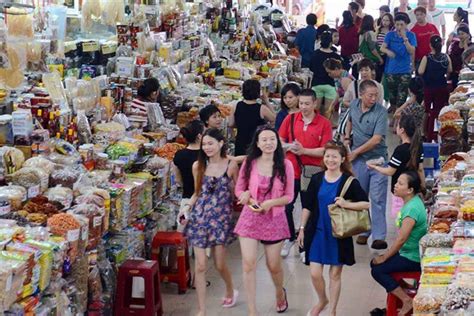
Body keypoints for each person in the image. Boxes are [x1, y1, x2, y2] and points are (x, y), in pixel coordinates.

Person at [297, 141, 369, 316]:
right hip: (317, 232)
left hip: (338, 235)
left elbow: (366, 203)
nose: (330, 160)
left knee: (335, 275)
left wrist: (346, 204)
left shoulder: (349, 181)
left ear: (342, 159)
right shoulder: (316, 179)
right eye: (327, 156)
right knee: (315, 273)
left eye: (334, 156)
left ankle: (333, 311)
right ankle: (322, 300)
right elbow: (307, 205)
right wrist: (301, 228)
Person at [178, 128, 240, 315]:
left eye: (211, 143)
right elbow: (197, 192)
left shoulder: (231, 165)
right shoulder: (198, 166)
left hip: (221, 219)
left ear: (221, 143)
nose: (207, 147)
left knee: (220, 263)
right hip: (199, 218)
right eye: (204, 144)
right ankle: (202, 310)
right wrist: (187, 208)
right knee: (201, 265)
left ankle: (230, 288)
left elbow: (236, 192)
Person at [234, 126, 295, 315]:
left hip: (274, 219)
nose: (268, 143)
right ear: (258, 144)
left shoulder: (286, 165)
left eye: (272, 139)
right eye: (264, 140)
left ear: (277, 142)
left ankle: (279, 293)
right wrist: (246, 197)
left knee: (273, 265)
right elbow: (239, 189)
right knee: (249, 263)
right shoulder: (249, 163)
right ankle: (252, 310)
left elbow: (289, 196)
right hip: (250, 217)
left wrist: (270, 203)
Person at [278, 89, 332, 258]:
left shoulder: (324, 123)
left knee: (309, 208)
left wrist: (304, 151)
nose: (303, 107)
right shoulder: (291, 118)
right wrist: (289, 147)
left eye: (307, 104)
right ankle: (289, 237)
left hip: (313, 173)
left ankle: (305, 243)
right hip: (292, 170)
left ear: (315, 103)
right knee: (287, 205)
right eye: (301, 103)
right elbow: (280, 139)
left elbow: (326, 150)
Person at [371, 171, 427, 316]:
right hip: (407, 252)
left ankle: (406, 300)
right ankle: (403, 290)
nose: (395, 186)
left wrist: (384, 257)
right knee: (374, 263)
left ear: (410, 190)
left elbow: (401, 239)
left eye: (400, 184)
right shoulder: (411, 202)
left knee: (377, 269)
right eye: (396, 182)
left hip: (413, 257)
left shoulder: (412, 209)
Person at [344, 80, 388, 250]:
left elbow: (376, 140)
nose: (374, 98)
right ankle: (365, 229)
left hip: (377, 160)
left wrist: (356, 152)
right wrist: (347, 137)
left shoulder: (381, 112)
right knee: (360, 196)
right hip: (358, 161)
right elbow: (348, 120)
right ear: (361, 95)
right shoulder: (354, 105)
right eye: (370, 95)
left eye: (376, 95)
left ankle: (379, 236)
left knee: (377, 198)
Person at [368, 115, 425, 218]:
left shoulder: (400, 150)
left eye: (398, 125)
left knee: (401, 218)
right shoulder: (418, 146)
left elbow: (390, 171)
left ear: (402, 130)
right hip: (413, 189)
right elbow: (420, 169)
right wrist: (423, 187)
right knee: (412, 216)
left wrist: (375, 167)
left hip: (401, 191)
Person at [339, 59, 385, 140]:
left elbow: (379, 105)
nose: (364, 72)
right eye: (361, 70)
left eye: (366, 70)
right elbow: (345, 101)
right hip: (354, 117)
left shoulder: (379, 86)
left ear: (372, 71)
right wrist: (356, 107)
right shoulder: (354, 84)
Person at [380, 12, 416, 113]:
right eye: (397, 24)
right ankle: (393, 107)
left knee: (402, 95)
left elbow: (411, 51)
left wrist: (405, 38)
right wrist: (388, 51)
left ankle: (398, 115)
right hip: (391, 69)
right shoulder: (390, 35)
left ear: (406, 24)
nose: (399, 27)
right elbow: (382, 48)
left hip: (405, 70)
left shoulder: (411, 35)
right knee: (392, 93)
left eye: (401, 24)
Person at [228, 79, 275, 156]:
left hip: (240, 143)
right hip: (256, 144)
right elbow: (274, 118)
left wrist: (241, 124)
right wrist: (266, 101)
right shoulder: (262, 108)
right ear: (258, 93)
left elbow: (230, 124)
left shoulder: (235, 106)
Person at [418, 35, 452, 141]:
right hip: (442, 87)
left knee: (427, 111)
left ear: (430, 45)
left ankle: (424, 132)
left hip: (429, 88)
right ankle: (440, 131)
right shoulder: (446, 57)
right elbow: (450, 70)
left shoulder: (427, 57)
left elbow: (420, 71)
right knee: (440, 110)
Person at [309, 31, 342, 120]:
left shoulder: (315, 54)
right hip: (331, 85)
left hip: (317, 84)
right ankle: (326, 129)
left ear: (320, 41)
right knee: (328, 111)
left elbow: (311, 68)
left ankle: (313, 129)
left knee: (314, 111)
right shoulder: (336, 56)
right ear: (331, 42)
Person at [174, 120, 204, 202]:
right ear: (199, 136)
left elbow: (177, 180)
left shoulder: (179, 155)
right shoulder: (205, 155)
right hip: (205, 200)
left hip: (187, 198)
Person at [323, 58, 354, 125]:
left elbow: (350, 97)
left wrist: (339, 100)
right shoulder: (337, 77)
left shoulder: (345, 79)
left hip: (350, 108)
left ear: (336, 69)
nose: (329, 75)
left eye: (330, 72)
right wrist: (332, 105)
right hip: (344, 106)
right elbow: (338, 93)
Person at [359, 15, 384, 81]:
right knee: (374, 79)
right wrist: (380, 58)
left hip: (364, 58)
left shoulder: (361, 33)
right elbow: (373, 49)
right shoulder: (371, 33)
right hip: (372, 60)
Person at [448, 24, 471, 89]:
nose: (460, 36)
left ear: (468, 35)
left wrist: (465, 45)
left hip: (466, 75)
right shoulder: (455, 44)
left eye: (462, 34)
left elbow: (468, 60)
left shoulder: (471, 46)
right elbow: (450, 57)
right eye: (459, 34)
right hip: (454, 74)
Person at [338, 10, 359, 75]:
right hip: (354, 53)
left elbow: (338, 42)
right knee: (355, 72)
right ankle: (354, 84)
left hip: (344, 52)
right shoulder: (356, 28)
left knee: (344, 71)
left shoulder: (341, 29)